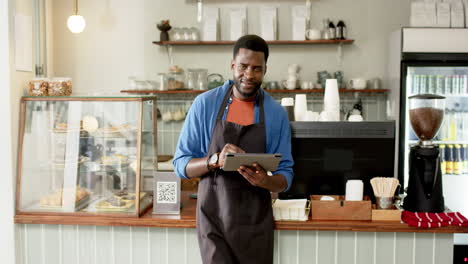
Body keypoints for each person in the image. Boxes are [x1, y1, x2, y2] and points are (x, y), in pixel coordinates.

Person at [173, 34, 294, 264]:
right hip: (213, 222)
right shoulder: (205, 105)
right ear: (232, 66)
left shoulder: (276, 114)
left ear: (265, 71)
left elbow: (285, 174)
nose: (249, 75)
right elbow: (181, 165)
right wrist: (215, 159)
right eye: (243, 66)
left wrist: (265, 181)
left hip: (256, 224)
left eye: (257, 69)